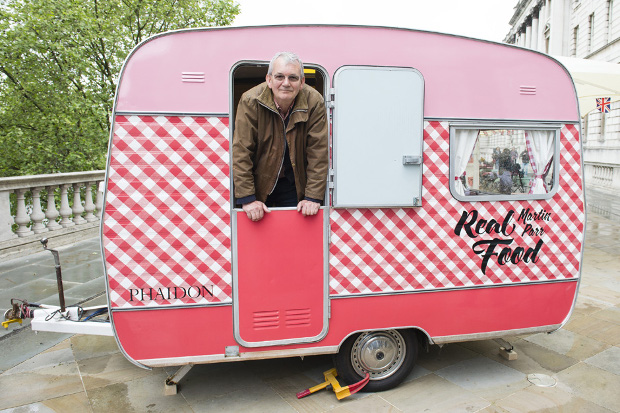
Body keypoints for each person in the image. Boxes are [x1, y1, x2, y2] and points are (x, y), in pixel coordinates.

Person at [232, 52, 329, 222]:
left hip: (294, 184)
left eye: (293, 77)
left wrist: (312, 197)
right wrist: (247, 198)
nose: (286, 83)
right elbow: (241, 151)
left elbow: (318, 153)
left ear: (302, 82)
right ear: (269, 80)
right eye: (279, 77)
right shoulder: (250, 101)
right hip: (259, 183)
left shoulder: (315, 101)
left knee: (296, 236)